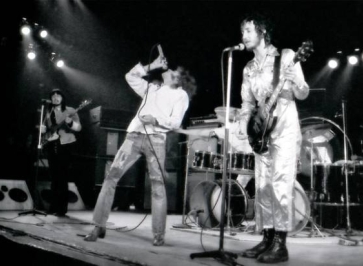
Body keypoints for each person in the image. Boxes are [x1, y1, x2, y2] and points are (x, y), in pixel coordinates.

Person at [84, 52, 196, 246]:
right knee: (111, 177)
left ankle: (159, 234)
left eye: (172, 71)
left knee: (158, 187)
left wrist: (155, 120)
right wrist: (151, 66)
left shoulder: (180, 95)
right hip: (134, 136)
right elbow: (130, 76)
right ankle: (97, 225)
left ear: (179, 78)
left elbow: (176, 121)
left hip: (157, 140)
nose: (167, 69)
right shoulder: (151, 88)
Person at [235, 12, 310, 263]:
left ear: (262, 32)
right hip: (262, 131)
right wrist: (244, 124)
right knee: (263, 186)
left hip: (285, 128)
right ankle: (266, 238)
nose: (243, 35)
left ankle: (281, 243)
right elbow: (247, 103)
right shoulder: (248, 68)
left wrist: (295, 82)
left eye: (248, 30)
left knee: (280, 184)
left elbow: (303, 93)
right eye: (243, 31)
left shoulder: (287, 56)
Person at [176, 106, 255, 189]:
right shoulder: (240, 124)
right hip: (253, 158)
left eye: (218, 115)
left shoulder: (227, 129)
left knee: (238, 186)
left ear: (225, 116)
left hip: (248, 162)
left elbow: (202, 132)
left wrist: (182, 131)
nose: (216, 117)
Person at [41, 88, 82, 217]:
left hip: (65, 145)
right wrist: (43, 131)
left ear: (62, 97)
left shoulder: (70, 110)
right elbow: (46, 128)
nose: (55, 98)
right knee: (54, 178)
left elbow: (79, 127)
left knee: (62, 177)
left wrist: (70, 123)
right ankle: (53, 207)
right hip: (52, 145)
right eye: (53, 96)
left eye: (58, 95)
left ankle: (61, 209)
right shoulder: (49, 111)